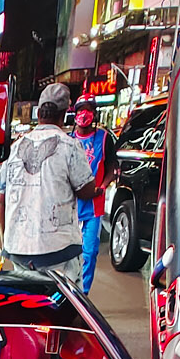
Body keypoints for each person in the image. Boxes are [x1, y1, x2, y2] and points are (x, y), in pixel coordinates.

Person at [1, 82, 101, 276]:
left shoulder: (14, 148)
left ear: (39, 114)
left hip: (18, 249)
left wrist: (8, 238)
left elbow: (0, 201)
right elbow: (86, 190)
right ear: (63, 115)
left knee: (26, 301)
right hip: (58, 250)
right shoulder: (69, 146)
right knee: (64, 303)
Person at [71, 99, 116, 293]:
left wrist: (103, 185)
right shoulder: (69, 140)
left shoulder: (104, 138)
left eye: (88, 110)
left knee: (89, 252)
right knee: (69, 253)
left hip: (94, 206)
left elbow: (113, 167)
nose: (84, 114)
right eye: (81, 110)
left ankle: (84, 292)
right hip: (71, 206)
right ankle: (69, 290)